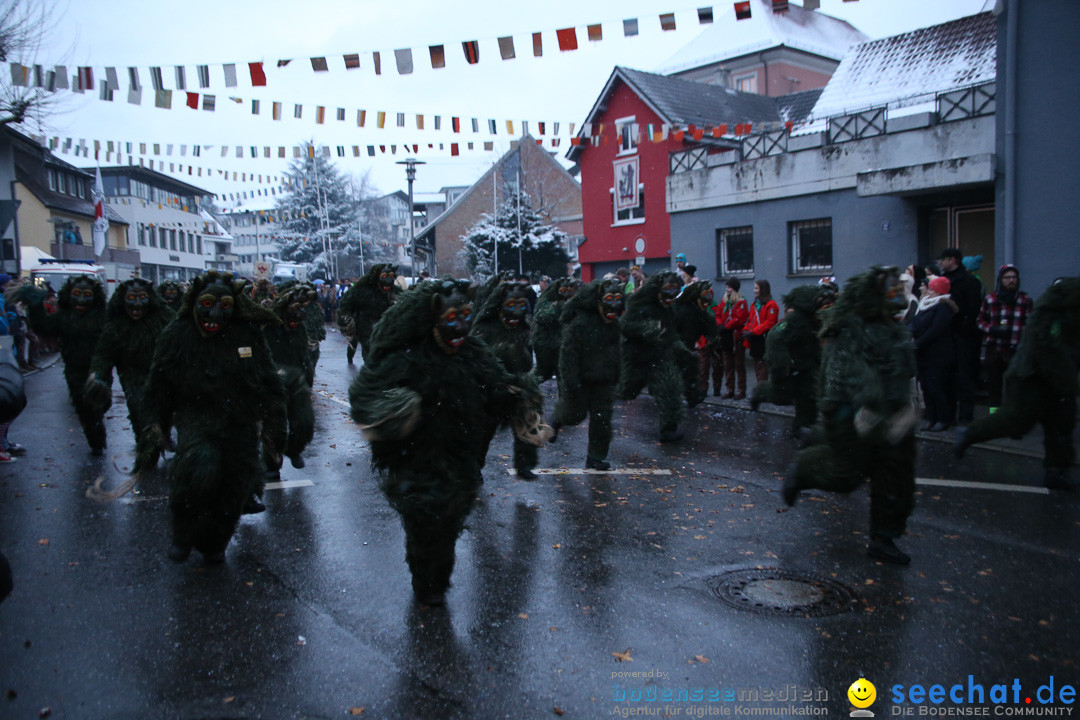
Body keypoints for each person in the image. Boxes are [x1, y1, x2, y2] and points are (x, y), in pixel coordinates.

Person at [349, 279, 548, 605]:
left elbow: (495, 387)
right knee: (426, 516)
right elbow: (366, 394)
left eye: (467, 315)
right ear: (432, 319)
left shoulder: (473, 354)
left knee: (451, 515)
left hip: (459, 452)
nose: (462, 326)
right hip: (416, 455)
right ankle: (427, 583)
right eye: (452, 318)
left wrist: (517, 394)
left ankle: (436, 579)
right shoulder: (405, 357)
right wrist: (396, 409)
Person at [136, 271, 287, 564]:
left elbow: (268, 380)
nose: (215, 313)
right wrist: (155, 426)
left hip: (239, 421)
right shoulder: (177, 335)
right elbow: (158, 385)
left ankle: (216, 541)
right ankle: (183, 533)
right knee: (197, 467)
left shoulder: (247, 335)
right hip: (197, 416)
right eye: (207, 303)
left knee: (234, 483)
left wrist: (275, 425)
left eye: (225, 306)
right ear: (195, 303)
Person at [784, 266, 918, 565]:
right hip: (853, 413)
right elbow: (852, 377)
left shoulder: (894, 330)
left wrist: (906, 408)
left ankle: (884, 538)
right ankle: (804, 468)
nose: (895, 296)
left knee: (895, 477)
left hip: (891, 416)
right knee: (846, 475)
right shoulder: (849, 328)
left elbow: (902, 370)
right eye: (889, 290)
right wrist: (870, 410)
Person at [956, 277, 1080, 491]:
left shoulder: (1063, 314)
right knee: (1016, 420)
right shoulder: (1049, 316)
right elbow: (1046, 348)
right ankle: (969, 434)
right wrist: (1065, 378)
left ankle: (1056, 471)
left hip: (1056, 380)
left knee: (1061, 425)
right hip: (1031, 377)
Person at [16, 275, 108, 455]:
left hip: (99, 366)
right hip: (74, 368)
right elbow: (45, 328)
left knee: (101, 402)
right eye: (77, 294)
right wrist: (35, 307)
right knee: (83, 405)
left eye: (87, 295)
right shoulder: (64, 316)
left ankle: (97, 423)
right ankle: (95, 441)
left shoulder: (103, 316)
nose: (81, 300)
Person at [84, 278, 177, 451]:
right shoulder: (116, 324)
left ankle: (163, 435)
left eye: (142, 298)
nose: (137, 304)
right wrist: (97, 374)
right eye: (131, 298)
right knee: (137, 410)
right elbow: (103, 354)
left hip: (160, 374)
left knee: (164, 410)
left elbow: (180, 336)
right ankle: (145, 445)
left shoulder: (164, 316)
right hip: (131, 375)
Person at [470, 279, 543, 479]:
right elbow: (476, 357)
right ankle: (475, 466)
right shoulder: (486, 329)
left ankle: (524, 465)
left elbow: (527, 357)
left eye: (520, 305)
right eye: (511, 306)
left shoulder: (522, 329)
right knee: (484, 432)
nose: (516, 312)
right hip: (491, 388)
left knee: (528, 421)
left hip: (517, 385)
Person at [551, 277, 625, 469]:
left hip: (604, 382)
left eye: (618, 299)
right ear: (599, 300)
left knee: (602, 420)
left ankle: (595, 457)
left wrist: (617, 374)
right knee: (574, 415)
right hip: (582, 380)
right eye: (609, 300)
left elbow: (617, 351)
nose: (614, 306)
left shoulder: (614, 325)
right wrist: (571, 379)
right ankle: (557, 420)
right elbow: (568, 353)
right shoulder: (581, 324)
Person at [619, 271, 693, 442]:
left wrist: (681, 348)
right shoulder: (640, 303)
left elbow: (670, 332)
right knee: (625, 390)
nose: (671, 294)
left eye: (676, 290)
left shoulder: (669, 308)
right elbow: (625, 325)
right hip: (636, 355)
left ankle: (668, 428)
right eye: (668, 289)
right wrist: (649, 328)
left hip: (660, 354)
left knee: (670, 386)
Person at [976, 264, 1032, 413]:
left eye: (1014, 277)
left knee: (1016, 384)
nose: (1011, 280)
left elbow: (1031, 324)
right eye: (1007, 277)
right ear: (1001, 279)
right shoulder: (990, 299)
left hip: (1015, 349)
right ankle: (995, 414)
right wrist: (991, 329)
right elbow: (980, 321)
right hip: (994, 348)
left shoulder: (1025, 300)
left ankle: (1014, 416)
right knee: (994, 384)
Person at [936, 248, 983, 424]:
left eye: (943, 259)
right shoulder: (944, 280)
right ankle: (948, 416)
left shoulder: (969, 281)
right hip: (946, 336)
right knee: (947, 378)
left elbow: (973, 310)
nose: (940, 263)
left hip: (963, 337)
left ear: (953, 260)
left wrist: (963, 328)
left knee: (964, 378)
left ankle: (965, 417)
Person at [910, 275, 957, 432]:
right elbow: (915, 323)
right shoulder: (925, 305)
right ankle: (931, 417)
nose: (928, 291)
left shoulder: (942, 307)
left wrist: (918, 343)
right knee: (926, 387)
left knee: (936, 387)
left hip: (937, 355)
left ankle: (943, 419)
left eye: (931, 288)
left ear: (937, 291)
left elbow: (935, 329)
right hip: (924, 355)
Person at [337, 264, 400, 365]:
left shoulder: (395, 291)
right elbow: (345, 305)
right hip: (367, 331)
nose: (388, 280)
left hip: (387, 333)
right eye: (384, 276)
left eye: (391, 276)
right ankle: (352, 358)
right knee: (372, 361)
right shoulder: (362, 291)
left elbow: (408, 302)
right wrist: (346, 320)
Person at [715, 278, 748, 399]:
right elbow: (718, 314)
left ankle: (741, 389)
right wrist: (719, 324)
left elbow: (740, 318)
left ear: (734, 288)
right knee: (727, 364)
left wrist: (727, 326)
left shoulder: (741, 302)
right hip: (726, 336)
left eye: (729, 287)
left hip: (736, 336)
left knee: (739, 364)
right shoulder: (724, 301)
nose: (726, 289)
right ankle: (729, 388)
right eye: (726, 287)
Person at [744, 279, 780, 384]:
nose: (754, 291)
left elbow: (770, 322)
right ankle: (760, 387)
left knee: (762, 365)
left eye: (756, 288)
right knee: (757, 365)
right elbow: (751, 320)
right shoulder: (756, 303)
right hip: (755, 337)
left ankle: (762, 388)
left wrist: (754, 331)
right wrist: (746, 330)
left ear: (762, 290)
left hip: (763, 338)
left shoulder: (771, 305)